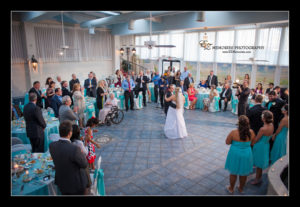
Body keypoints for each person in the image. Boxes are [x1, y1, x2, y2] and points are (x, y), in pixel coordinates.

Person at [49, 120, 89, 195]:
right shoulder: (74, 149)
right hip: (76, 185)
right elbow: (84, 164)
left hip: (62, 183)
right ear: (70, 133)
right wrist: (81, 153)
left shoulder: (52, 146)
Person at [224, 115, 255, 194]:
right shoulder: (251, 132)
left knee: (233, 172)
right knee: (244, 173)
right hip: (247, 154)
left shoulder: (233, 132)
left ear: (238, 123)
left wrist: (235, 143)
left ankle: (231, 188)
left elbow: (227, 142)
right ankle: (241, 188)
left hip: (235, 153)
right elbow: (253, 143)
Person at [251, 110, 274, 185]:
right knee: (260, 163)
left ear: (264, 119)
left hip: (260, 146)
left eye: (262, 116)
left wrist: (251, 142)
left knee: (258, 164)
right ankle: (259, 178)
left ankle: (257, 179)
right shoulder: (271, 125)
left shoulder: (262, 129)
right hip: (266, 145)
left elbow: (256, 139)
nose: (261, 117)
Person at [70, 124, 91, 195]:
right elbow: (86, 153)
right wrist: (85, 142)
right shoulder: (79, 143)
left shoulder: (70, 142)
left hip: (73, 167)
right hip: (82, 164)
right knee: (87, 183)